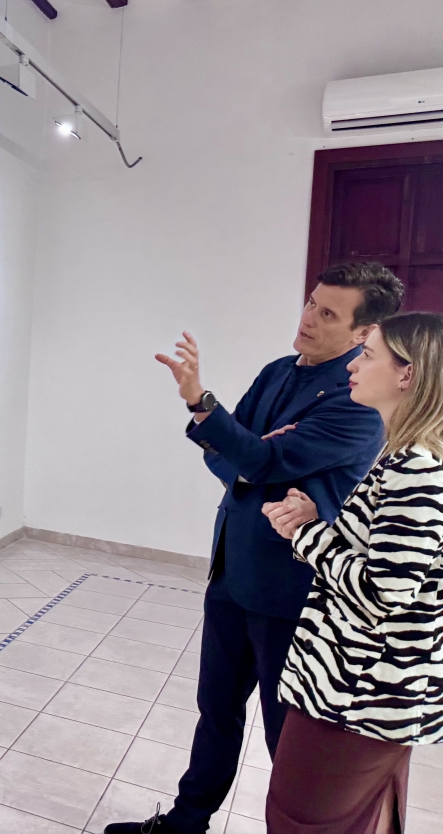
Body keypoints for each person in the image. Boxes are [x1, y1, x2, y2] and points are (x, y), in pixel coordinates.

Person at [105, 262, 404, 834]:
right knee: (215, 712)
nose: (308, 318)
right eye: (311, 302)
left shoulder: (357, 400)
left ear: (363, 331)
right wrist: (243, 453)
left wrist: (208, 409)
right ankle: (186, 822)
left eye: (329, 313)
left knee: (283, 735)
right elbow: (229, 452)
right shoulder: (276, 371)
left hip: (289, 591)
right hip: (231, 571)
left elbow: (254, 454)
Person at [260, 312, 443, 834]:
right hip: (375, 690)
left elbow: (386, 591)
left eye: (368, 354)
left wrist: (305, 535)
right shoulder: (406, 453)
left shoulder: (416, 467)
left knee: (301, 818)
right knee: (364, 816)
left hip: (357, 691)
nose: (352, 366)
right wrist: (320, 523)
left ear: (407, 374)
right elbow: (388, 555)